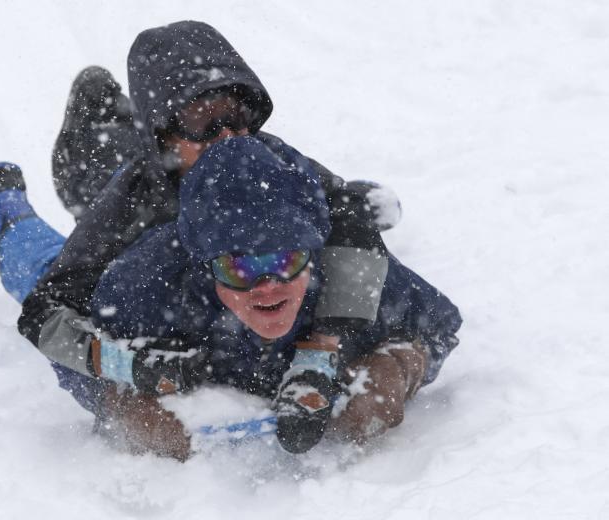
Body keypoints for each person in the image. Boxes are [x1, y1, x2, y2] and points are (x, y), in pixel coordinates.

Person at [0, 21, 424, 455]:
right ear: (165, 133)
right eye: (202, 122)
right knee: (55, 243)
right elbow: (47, 314)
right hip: (130, 239)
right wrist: (124, 367)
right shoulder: (132, 203)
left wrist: (323, 345)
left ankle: (107, 115)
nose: (227, 136)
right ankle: (3, 212)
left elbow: (351, 230)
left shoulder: (269, 161)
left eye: (237, 118)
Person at [70, 136, 461, 460]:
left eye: (285, 260)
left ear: (310, 253)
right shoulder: (149, 282)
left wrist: (394, 369)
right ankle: (11, 211)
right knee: (50, 257)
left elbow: (439, 326)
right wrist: (121, 396)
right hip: (138, 230)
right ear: (207, 265)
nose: (267, 286)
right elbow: (67, 346)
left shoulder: (347, 272)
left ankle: (359, 201)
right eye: (239, 269)